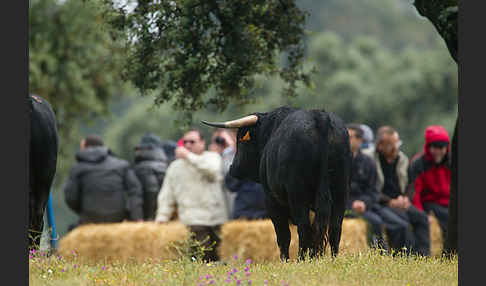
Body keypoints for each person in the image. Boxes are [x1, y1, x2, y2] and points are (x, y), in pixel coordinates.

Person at [155, 129, 229, 262]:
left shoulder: (212, 158)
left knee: (221, 262)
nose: (188, 145)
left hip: (217, 220)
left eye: (192, 142)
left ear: (202, 143)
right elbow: (166, 195)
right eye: (185, 142)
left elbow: (212, 170)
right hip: (193, 221)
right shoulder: (175, 167)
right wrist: (162, 217)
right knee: (202, 261)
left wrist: (189, 156)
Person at [363, 126, 430, 256]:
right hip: (381, 203)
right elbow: (369, 188)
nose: (396, 148)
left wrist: (406, 198)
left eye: (397, 144)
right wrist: (390, 201)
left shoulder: (402, 159)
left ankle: (423, 257)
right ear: (380, 145)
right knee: (402, 225)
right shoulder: (369, 160)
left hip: (400, 201)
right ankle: (405, 258)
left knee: (422, 218)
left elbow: (411, 184)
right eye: (392, 145)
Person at [64, 134, 143, 229]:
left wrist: (83, 210)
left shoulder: (76, 168)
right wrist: (134, 216)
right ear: (102, 146)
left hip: (89, 218)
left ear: (84, 146)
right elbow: (135, 190)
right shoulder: (122, 165)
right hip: (118, 217)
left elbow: (70, 197)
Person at [345, 124, 387, 251]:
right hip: (343, 207)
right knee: (376, 221)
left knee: (390, 220)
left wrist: (363, 203)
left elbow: (374, 191)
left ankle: (390, 254)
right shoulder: (336, 162)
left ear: (360, 140)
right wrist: (352, 204)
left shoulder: (369, 163)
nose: (346, 140)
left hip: (365, 206)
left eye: (350, 137)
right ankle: (380, 254)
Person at [408, 125, 451, 243]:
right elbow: (414, 193)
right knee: (449, 218)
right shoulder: (418, 164)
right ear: (428, 147)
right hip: (429, 203)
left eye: (442, 147)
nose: (438, 151)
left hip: (448, 202)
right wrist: (420, 213)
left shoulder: (451, 162)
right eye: (435, 147)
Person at [133, 133, 169, 221]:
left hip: (149, 217)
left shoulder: (142, 167)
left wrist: (149, 217)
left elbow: (151, 191)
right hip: (165, 217)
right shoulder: (167, 166)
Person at [208, 129, 238, 216]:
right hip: (218, 200)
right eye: (216, 140)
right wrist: (214, 155)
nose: (220, 143)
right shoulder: (211, 157)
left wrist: (230, 147)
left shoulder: (235, 155)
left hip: (233, 197)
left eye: (222, 139)